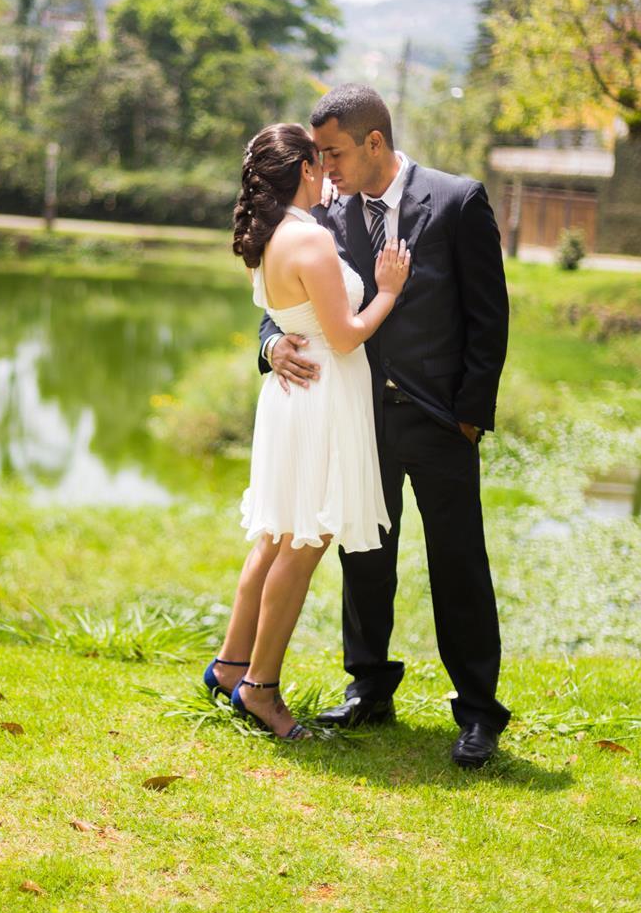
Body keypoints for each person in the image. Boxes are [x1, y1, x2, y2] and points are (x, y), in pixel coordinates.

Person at [260, 84, 510, 768]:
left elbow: (489, 318)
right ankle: (369, 685)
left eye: (334, 152)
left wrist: (468, 417)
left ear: (375, 142)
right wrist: (269, 348)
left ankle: (479, 713)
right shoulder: (324, 215)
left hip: (439, 422)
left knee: (458, 561)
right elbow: (284, 305)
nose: (325, 167)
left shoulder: (457, 201)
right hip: (354, 420)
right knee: (363, 555)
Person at [205, 122, 410, 740]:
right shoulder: (311, 240)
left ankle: (230, 664)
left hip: (294, 398)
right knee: (303, 543)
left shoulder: (267, 238)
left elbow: (289, 317)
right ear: (301, 171)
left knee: (273, 536)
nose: (327, 172)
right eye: (319, 163)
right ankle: (260, 688)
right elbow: (345, 335)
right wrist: (389, 292)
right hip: (320, 400)